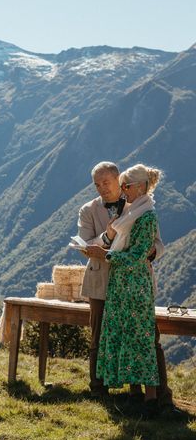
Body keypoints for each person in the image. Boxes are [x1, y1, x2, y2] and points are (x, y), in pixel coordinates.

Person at [78, 162, 172, 407]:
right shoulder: (88, 209)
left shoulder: (139, 208)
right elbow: (87, 245)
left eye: (106, 183)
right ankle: (101, 391)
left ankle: (161, 395)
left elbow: (159, 243)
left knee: (148, 338)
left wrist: (149, 253)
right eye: (97, 185)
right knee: (102, 337)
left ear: (118, 180)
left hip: (133, 282)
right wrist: (107, 237)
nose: (101, 189)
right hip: (102, 282)